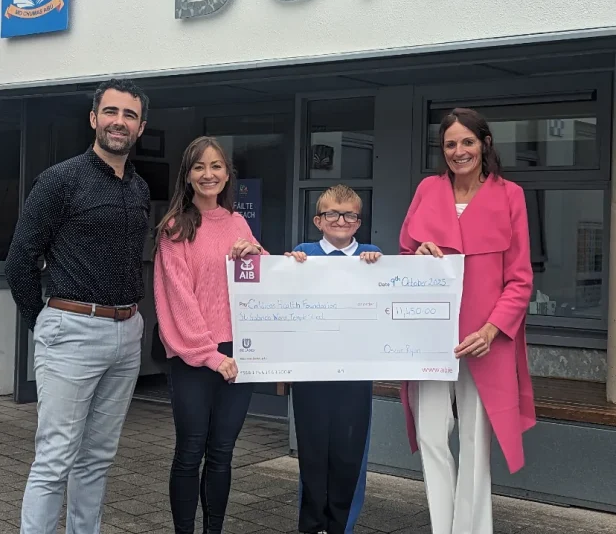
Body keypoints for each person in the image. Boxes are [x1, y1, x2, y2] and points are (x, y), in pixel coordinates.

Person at [5, 78, 151, 534]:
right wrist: (46, 320)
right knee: (55, 458)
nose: (119, 122)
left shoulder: (139, 188)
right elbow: (20, 259)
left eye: (129, 115)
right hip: (72, 329)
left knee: (98, 459)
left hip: (127, 332)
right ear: (93, 119)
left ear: (140, 127)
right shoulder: (60, 180)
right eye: (111, 112)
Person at [398, 108, 536, 534]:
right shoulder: (427, 189)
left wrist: (491, 330)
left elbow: (520, 279)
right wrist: (417, 254)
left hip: (484, 340)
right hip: (431, 337)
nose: (459, 151)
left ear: (484, 143)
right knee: (430, 436)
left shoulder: (510, 195)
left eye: (467, 142)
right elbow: (403, 257)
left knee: (476, 443)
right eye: (450, 144)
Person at [153, 136, 265, 534]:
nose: (208, 174)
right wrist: (210, 356)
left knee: (222, 453)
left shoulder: (237, 223)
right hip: (194, 356)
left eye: (216, 166)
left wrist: (258, 255)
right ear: (187, 176)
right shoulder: (174, 229)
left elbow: (261, 283)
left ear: (227, 174)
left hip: (238, 353)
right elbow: (178, 299)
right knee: (189, 452)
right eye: (199, 167)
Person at [286, 184, 381, 534]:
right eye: (332, 214)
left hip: (355, 374)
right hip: (310, 374)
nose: (341, 220)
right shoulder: (302, 254)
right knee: (312, 452)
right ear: (318, 220)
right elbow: (284, 299)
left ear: (359, 221)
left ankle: (342, 525)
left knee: (349, 452)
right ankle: (312, 525)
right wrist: (288, 269)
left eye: (349, 215)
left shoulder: (372, 256)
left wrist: (376, 268)